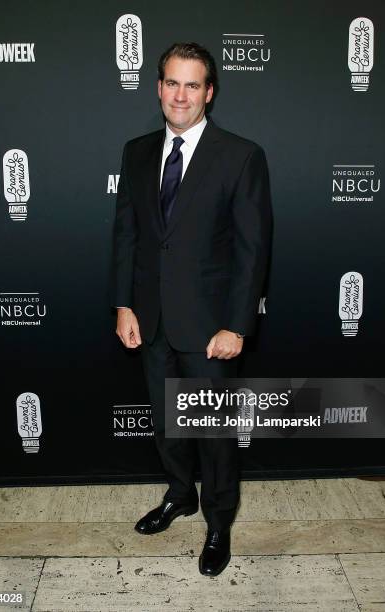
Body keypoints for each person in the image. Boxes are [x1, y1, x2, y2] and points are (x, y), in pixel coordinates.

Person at [112, 42, 272, 576]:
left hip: (210, 328)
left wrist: (236, 325)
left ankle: (219, 521)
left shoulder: (240, 155)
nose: (180, 95)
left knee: (214, 433)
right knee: (166, 424)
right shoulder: (136, 151)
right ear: (158, 88)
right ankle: (180, 495)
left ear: (209, 92)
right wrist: (123, 304)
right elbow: (128, 237)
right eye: (172, 84)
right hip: (151, 320)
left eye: (192, 85)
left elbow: (253, 249)